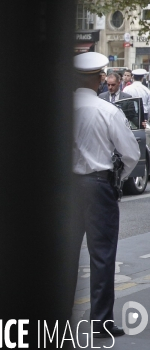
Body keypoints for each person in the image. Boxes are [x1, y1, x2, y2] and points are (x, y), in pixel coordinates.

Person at [71, 52, 139, 339]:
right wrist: (118, 179)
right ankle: (100, 323)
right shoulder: (107, 110)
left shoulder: (58, 109)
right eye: (101, 75)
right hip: (98, 187)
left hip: (65, 189)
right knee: (102, 257)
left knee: (64, 256)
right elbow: (131, 154)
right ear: (98, 79)